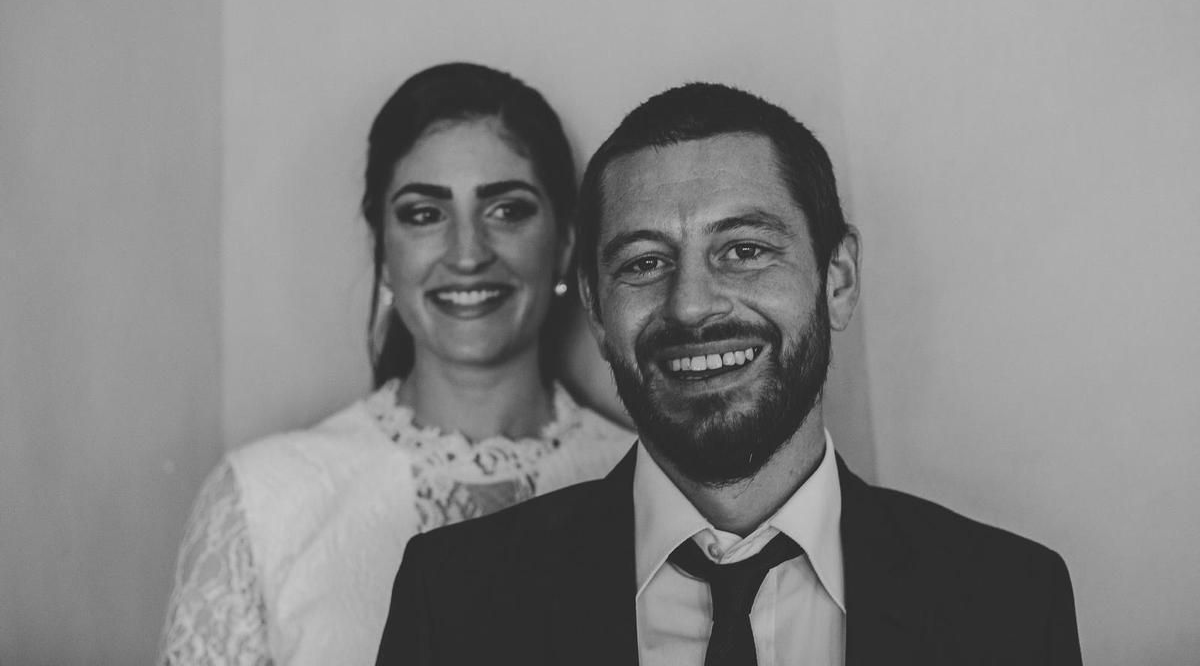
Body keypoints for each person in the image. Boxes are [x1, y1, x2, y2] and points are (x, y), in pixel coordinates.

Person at [375, 82, 1082, 666]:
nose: (691, 306)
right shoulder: (455, 600)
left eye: (744, 250)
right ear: (595, 310)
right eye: (645, 263)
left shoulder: (1011, 603)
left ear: (838, 279)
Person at [158, 63, 633, 665]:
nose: (467, 254)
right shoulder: (262, 503)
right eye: (424, 214)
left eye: (507, 210)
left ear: (564, 243)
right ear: (383, 248)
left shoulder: (646, 484)